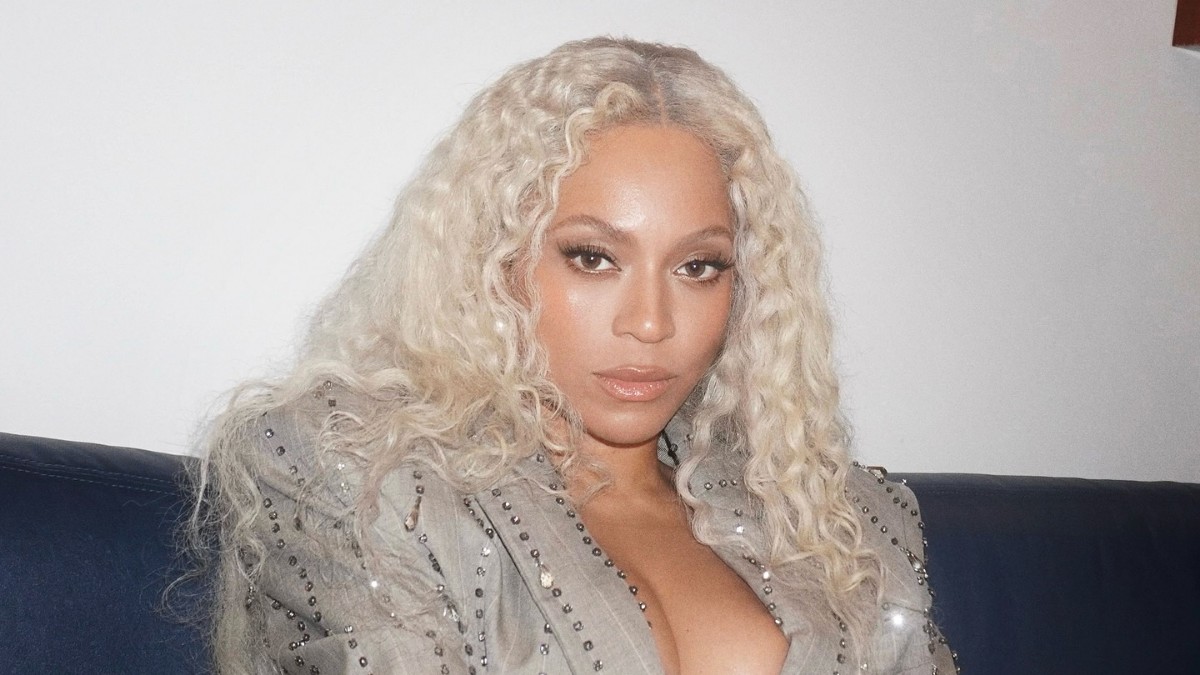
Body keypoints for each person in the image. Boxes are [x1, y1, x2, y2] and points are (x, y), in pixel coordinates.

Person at [192, 37, 956, 674]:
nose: (650, 322)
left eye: (698, 266)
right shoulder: (356, 473)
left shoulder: (834, 518)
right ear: (495, 259)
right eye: (593, 257)